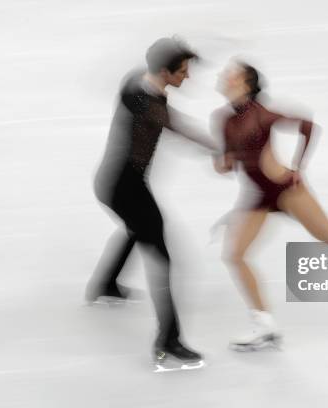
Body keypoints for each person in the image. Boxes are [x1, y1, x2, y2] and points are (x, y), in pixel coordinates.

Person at [86, 37, 216, 366]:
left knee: (138, 229)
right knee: (162, 257)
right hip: (125, 188)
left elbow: (163, 111)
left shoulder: (136, 83)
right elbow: (177, 126)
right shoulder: (150, 104)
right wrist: (220, 150)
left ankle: (106, 284)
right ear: (163, 71)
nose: (187, 77)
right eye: (183, 71)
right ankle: (168, 342)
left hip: (113, 182)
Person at [212, 60, 328, 350]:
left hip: (285, 190)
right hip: (257, 197)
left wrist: (297, 166)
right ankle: (265, 327)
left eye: (231, 74)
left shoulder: (262, 115)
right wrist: (224, 163)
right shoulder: (224, 120)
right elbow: (229, 162)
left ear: (246, 84)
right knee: (235, 255)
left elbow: (308, 126)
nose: (223, 76)